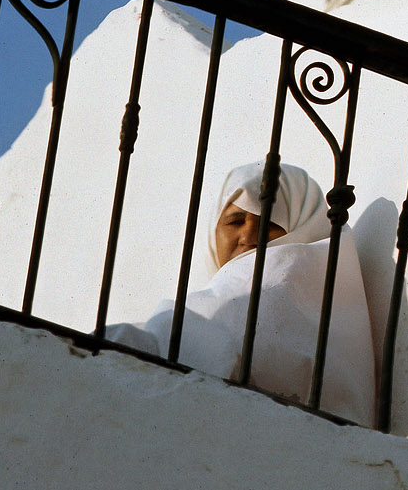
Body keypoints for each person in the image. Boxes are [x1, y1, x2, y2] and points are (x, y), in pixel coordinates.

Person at [109, 161, 376, 426]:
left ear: (301, 226)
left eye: (269, 222)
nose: (249, 236)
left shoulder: (289, 282)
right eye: (235, 221)